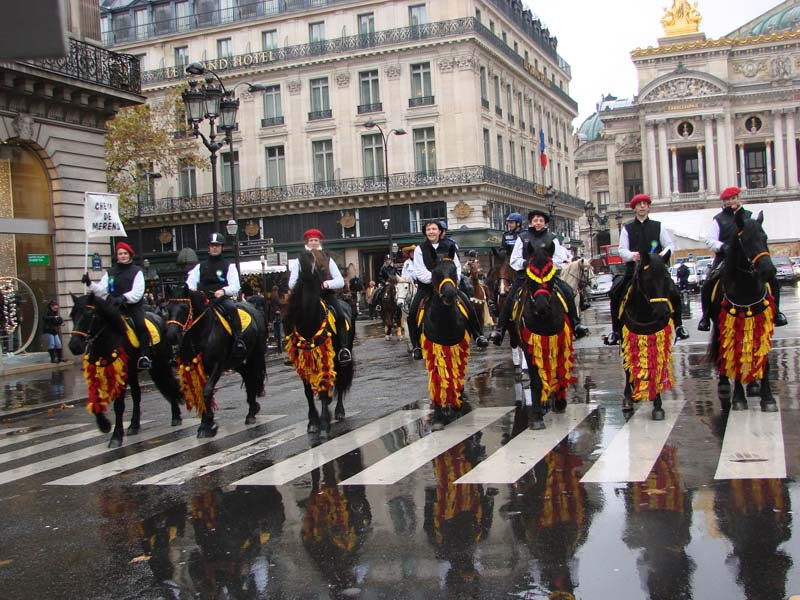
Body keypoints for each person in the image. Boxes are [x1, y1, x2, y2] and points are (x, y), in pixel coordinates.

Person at [489, 209, 589, 344]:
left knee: (567, 291)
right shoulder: (522, 238)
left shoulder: (552, 237)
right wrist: (526, 264)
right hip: (526, 276)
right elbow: (514, 259)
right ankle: (500, 329)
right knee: (510, 298)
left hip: (548, 276)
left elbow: (559, 258)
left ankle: (576, 323)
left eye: (541, 220)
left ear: (545, 223)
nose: (538, 223)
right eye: (535, 220)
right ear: (530, 222)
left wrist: (547, 266)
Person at [697, 186, 787, 331]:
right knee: (708, 282)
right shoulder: (719, 220)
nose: (731, 201)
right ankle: (705, 317)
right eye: (728, 199)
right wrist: (722, 247)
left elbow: (757, 237)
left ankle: (777, 312)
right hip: (725, 258)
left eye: (734, 198)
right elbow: (709, 239)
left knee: (772, 279)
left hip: (749, 257)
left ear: (738, 199)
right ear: (724, 202)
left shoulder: (750, 216)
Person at [605, 194, 688, 345]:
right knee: (616, 292)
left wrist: (662, 255)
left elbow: (669, 244)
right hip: (635, 269)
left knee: (674, 291)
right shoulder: (627, 228)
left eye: (645, 204)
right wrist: (633, 255)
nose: (642, 206)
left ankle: (679, 325)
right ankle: (616, 330)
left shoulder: (658, 226)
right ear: (634, 208)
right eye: (639, 204)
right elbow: (622, 249)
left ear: (649, 207)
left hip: (656, 269)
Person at [407, 220, 488, 360]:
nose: (431, 232)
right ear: (425, 232)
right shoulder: (420, 249)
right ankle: (416, 346)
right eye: (428, 229)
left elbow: (456, 266)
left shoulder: (449, 246)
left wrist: (451, 282)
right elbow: (419, 271)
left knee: (467, 303)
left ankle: (478, 335)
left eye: (434, 229)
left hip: (449, 286)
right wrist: (436, 281)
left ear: (440, 231)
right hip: (428, 287)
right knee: (413, 312)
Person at [82, 241, 152, 369]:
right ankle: (93, 352)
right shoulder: (111, 272)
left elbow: (138, 292)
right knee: (95, 323)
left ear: (130, 255)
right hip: (113, 307)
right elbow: (101, 290)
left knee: (141, 325)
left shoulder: (137, 271)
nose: (123, 256)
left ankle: (144, 356)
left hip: (131, 307)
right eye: (120, 254)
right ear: (117, 256)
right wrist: (89, 283)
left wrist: (124, 297)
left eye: (125, 253)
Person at [288, 228, 352, 366]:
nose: (314, 243)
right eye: (311, 240)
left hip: (325, 296)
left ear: (320, 242)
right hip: (306, 297)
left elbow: (340, 280)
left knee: (340, 315)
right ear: (307, 242)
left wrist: (326, 284)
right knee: (289, 316)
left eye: (316, 240)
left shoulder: (328, 259)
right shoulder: (299, 261)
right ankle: (293, 350)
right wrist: (305, 287)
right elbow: (292, 283)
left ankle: (343, 348)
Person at [186, 232, 247, 358]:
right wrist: (194, 292)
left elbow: (235, 286)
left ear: (221, 247)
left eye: (217, 245)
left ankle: (238, 339)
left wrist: (223, 291)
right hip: (202, 300)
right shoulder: (200, 266)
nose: (214, 247)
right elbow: (190, 283)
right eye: (212, 245)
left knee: (232, 308)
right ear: (209, 247)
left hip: (220, 299)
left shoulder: (229, 266)